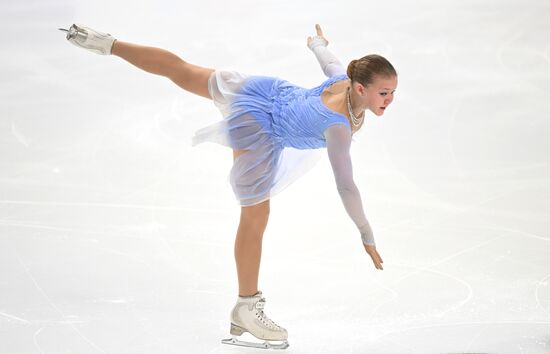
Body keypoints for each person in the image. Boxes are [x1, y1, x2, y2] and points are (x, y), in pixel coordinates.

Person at [60, 23, 396, 349]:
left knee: (182, 70)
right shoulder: (338, 127)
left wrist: (318, 45)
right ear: (361, 89)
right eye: (384, 93)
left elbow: (332, 64)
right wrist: (365, 232)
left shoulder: (345, 80)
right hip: (260, 126)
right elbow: (346, 186)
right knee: (255, 215)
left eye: (393, 92)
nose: (390, 100)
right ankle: (247, 306)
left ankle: (106, 43)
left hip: (265, 91)